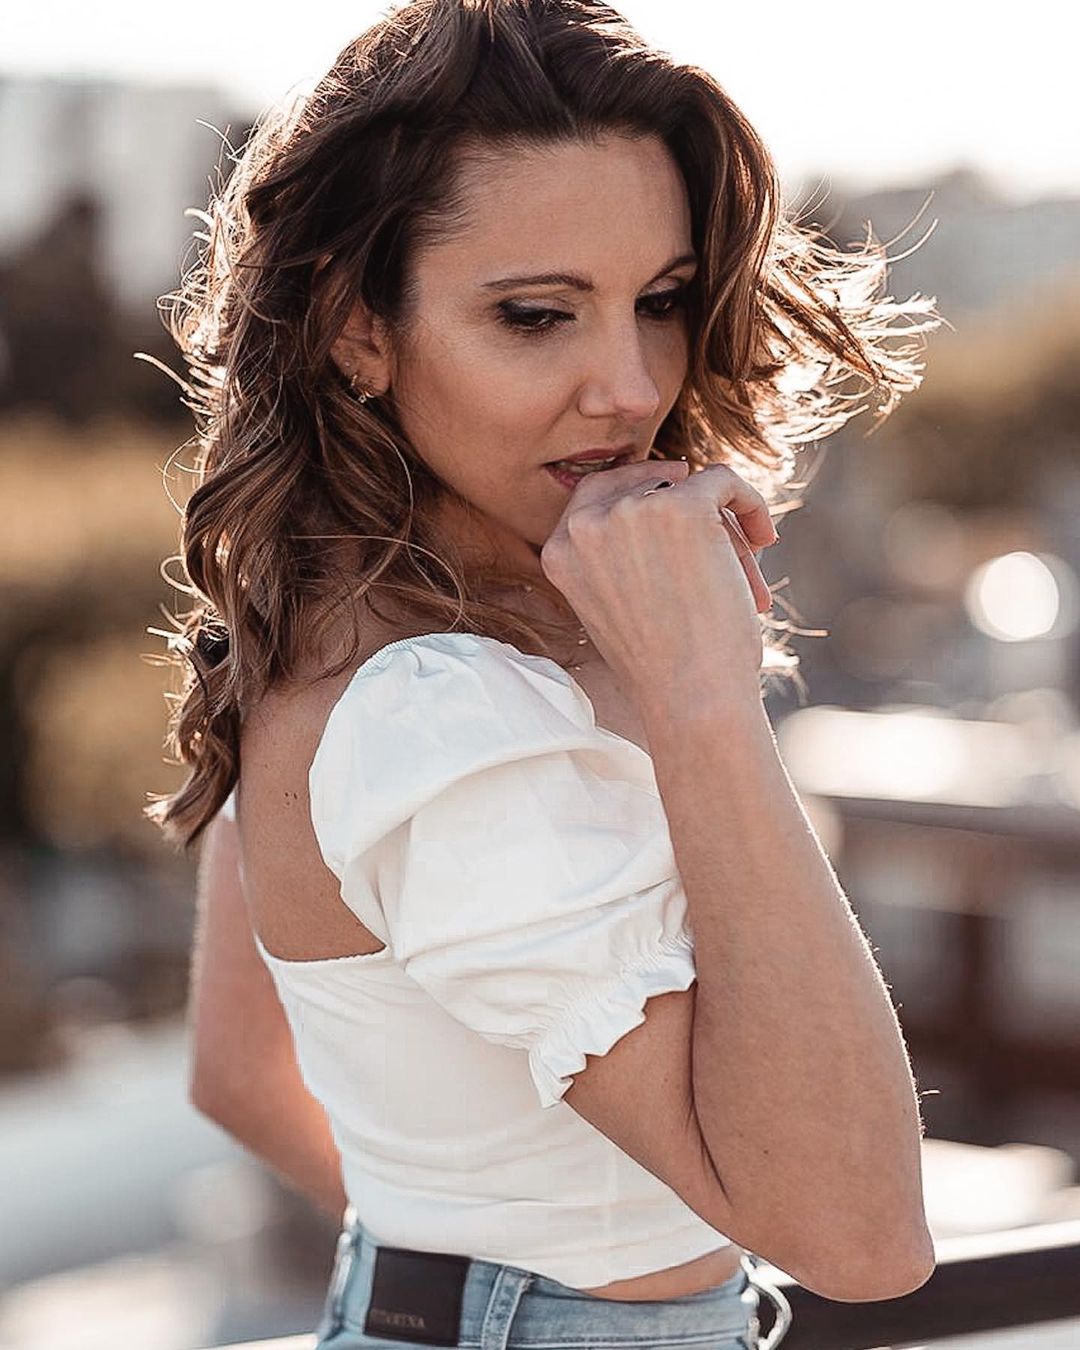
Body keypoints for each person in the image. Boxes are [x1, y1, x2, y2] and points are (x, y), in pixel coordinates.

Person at [147, 1, 942, 1345]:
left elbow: (240, 1068)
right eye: (536, 316)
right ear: (357, 327)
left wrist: (470, 1251)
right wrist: (704, 699)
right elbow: (863, 1238)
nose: (628, 386)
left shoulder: (339, 623)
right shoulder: (440, 717)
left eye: (662, 301)